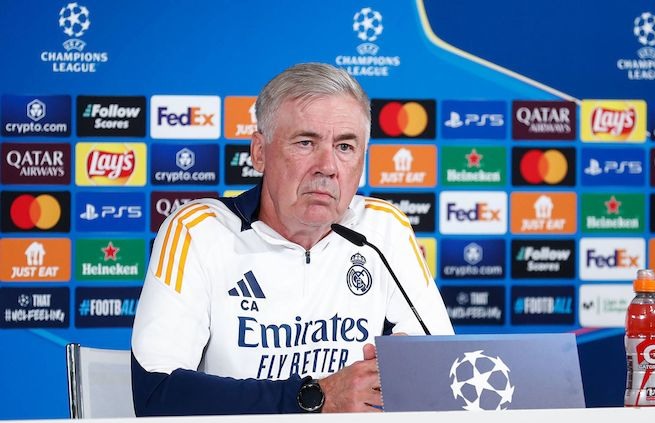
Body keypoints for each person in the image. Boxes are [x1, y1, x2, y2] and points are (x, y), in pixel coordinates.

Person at [131, 62, 454, 415]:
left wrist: (415, 369)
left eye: (345, 146)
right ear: (259, 152)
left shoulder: (382, 229)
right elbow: (156, 395)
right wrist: (315, 397)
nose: (327, 166)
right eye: (305, 142)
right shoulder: (199, 230)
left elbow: (446, 375)